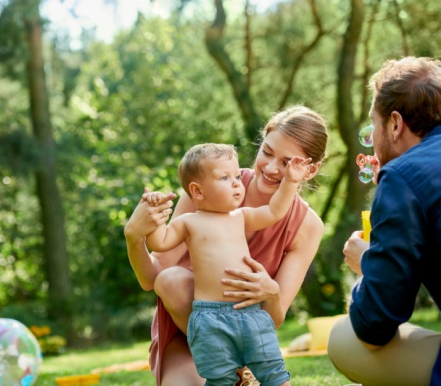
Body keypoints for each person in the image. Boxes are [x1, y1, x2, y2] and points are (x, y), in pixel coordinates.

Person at [124, 105, 328, 386]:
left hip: (249, 336)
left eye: (286, 162)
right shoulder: (208, 188)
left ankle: (243, 369)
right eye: (267, 152)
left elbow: (274, 319)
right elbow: (152, 279)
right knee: (170, 279)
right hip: (190, 337)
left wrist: (271, 292)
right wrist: (135, 237)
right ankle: (229, 371)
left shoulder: (307, 225)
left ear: (310, 169)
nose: (270, 168)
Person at [327, 56, 441, 386]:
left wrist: (368, 265)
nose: (373, 135)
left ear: (394, 123)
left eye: (372, 123)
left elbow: (375, 323)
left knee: (345, 339)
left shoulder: (402, 177)